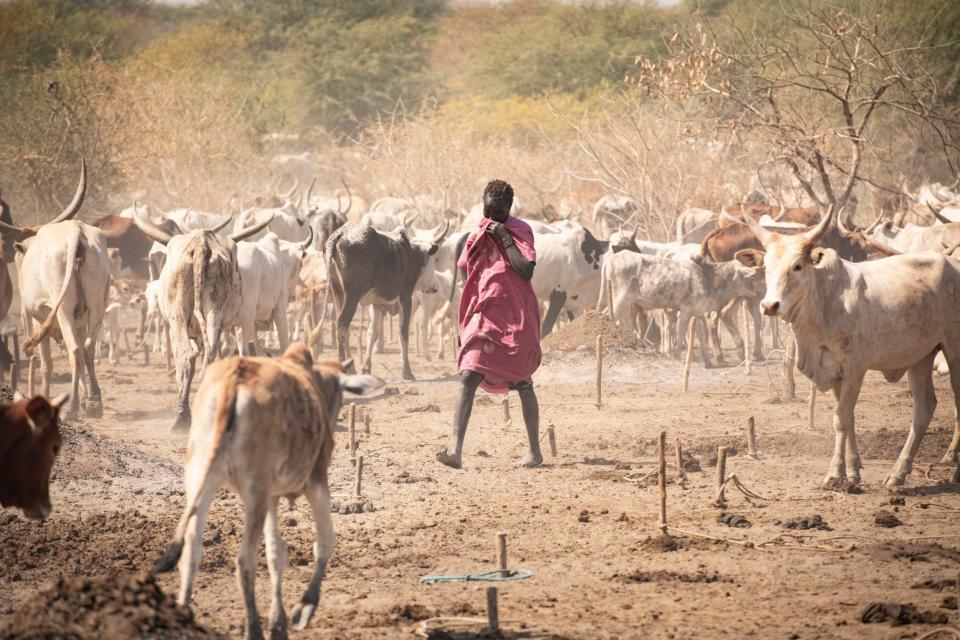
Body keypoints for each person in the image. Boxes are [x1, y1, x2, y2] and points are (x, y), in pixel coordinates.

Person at [436, 180, 543, 469]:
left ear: (508, 208)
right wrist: (467, 319)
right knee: (469, 376)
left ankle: (534, 452)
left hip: (514, 316)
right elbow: (467, 273)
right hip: (483, 316)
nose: (490, 217)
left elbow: (525, 270)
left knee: (523, 383)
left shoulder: (521, 231)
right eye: (487, 211)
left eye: (497, 213)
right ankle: (455, 451)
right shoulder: (477, 233)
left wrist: (505, 239)